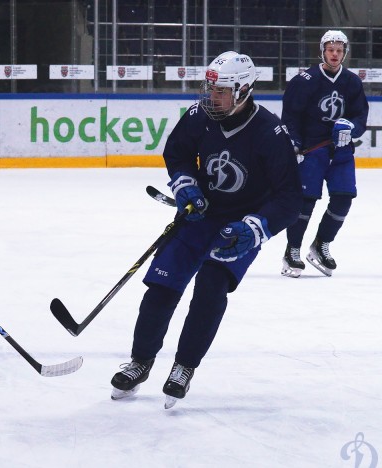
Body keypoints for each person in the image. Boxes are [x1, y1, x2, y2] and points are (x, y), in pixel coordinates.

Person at [110, 51, 303, 409]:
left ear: (243, 91)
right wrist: (185, 185)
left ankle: (184, 367)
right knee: (160, 287)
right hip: (199, 217)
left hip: (238, 227)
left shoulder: (270, 133)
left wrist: (256, 227)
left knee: (211, 290)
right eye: (210, 88)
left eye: (221, 91)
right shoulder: (199, 116)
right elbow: (178, 152)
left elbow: (290, 198)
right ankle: (140, 362)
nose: (212, 97)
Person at [281, 30, 369, 278]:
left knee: (344, 197)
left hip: (341, 151)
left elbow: (360, 116)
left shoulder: (352, 82)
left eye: (339, 50)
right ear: (322, 51)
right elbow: (290, 116)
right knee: (306, 199)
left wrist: (351, 127)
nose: (335, 54)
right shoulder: (304, 80)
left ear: (344, 53)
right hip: (312, 150)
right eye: (330, 49)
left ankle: (321, 245)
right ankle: (293, 250)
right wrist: (295, 143)